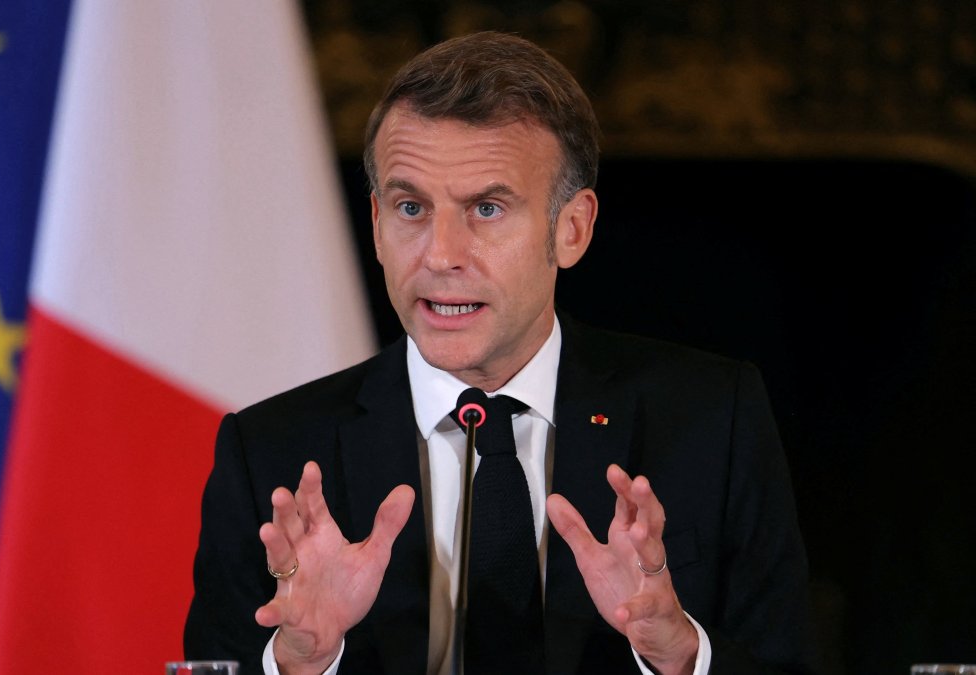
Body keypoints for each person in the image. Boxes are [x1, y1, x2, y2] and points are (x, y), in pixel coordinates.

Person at [184, 31, 812, 675]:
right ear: (375, 225)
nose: (440, 254)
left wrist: (680, 654)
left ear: (572, 229)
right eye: (410, 208)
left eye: (486, 208)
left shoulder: (711, 421)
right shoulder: (270, 454)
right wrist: (300, 662)